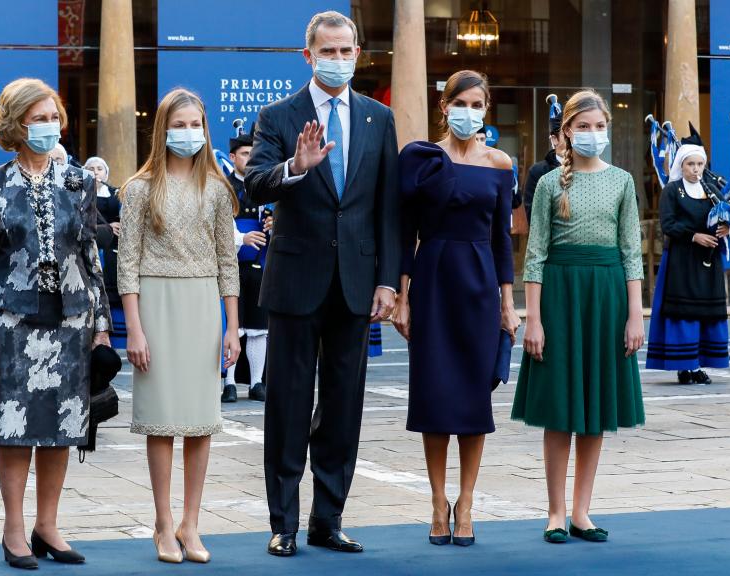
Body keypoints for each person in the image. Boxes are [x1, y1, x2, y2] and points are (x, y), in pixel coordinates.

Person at [245, 10, 400, 557]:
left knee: (342, 405)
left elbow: (387, 207)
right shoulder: (278, 116)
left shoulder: (378, 118)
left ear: (358, 53)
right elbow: (254, 185)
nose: (338, 60)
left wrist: (388, 280)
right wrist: (295, 165)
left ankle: (327, 519)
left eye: (346, 51)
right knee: (286, 403)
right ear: (307, 56)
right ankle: (283, 522)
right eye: (327, 52)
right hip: (295, 281)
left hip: (356, 283)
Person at [0, 78, 111, 570]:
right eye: (39, 118)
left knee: (64, 426)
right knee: (17, 428)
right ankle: (13, 530)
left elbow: (91, 257)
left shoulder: (79, 182)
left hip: (71, 320)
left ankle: (48, 525)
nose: (50, 126)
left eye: (55, 117)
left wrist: (102, 326)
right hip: (11, 322)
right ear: (15, 123)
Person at [391, 70, 519, 547]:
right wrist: (402, 295)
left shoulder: (501, 163)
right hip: (433, 277)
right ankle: (436, 499)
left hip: (481, 283)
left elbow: (502, 240)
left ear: (486, 109)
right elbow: (406, 232)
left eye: (477, 104)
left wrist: (508, 304)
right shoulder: (422, 158)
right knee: (434, 397)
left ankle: (466, 502)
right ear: (443, 106)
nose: (469, 111)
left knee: (471, 398)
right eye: (460, 103)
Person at [512, 90, 645, 544]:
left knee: (596, 408)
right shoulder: (550, 184)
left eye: (599, 127)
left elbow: (631, 252)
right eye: (583, 127)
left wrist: (635, 316)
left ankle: (583, 512)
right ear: (566, 132)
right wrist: (533, 318)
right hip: (561, 295)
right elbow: (536, 253)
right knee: (560, 408)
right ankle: (554, 512)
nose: (593, 135)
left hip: (606, 296)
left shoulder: (624, 181)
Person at [118, 88, 241, 565]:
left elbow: (227, 262)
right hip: (156, 303)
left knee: (199, 420)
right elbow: (126, 263)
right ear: (163, 129)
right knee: (162, 419)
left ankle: (192, 523)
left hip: (203, 304)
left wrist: (232, 327)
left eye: (196, 125)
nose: (189, 134)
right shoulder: (139, 189)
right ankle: (163, 523)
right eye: (180, 125)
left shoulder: (217, 189)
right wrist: (135, 328)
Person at [647, 126, 730, 385]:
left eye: (700, 164)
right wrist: (694, 236)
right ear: (682, 164)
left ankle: (698, 365)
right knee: (684, 313)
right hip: (681, 260)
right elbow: (668, 224)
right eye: (691, 164)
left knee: (704, 314)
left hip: (708, 264)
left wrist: (727, 226)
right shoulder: (672, 190)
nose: (696, 169)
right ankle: (684, 366)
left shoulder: (712, 189)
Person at [223, 125, 270, 403]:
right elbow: (217, 224)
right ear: (232, 157)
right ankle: (228, 383)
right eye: (244, 153)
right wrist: (242, 237)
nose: (250, 158)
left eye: (254, 153)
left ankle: (256, 382)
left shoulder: (264, 184)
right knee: (233, 325)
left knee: (258, 326)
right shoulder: (223, 186)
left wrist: (273, 224)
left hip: (259, 263)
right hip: (231, 262)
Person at [83, 156, 126, 349]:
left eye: (99, 168)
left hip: (112, 250)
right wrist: (105, 228)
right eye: (91, 168)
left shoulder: (115, 193)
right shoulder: (80, 194)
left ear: (106, 173)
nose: (95, 171)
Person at [524, 95, 566, 223]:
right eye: (566, 135)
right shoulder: (538, 171)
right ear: (554, 139)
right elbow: (533, 216)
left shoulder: (586, 167)